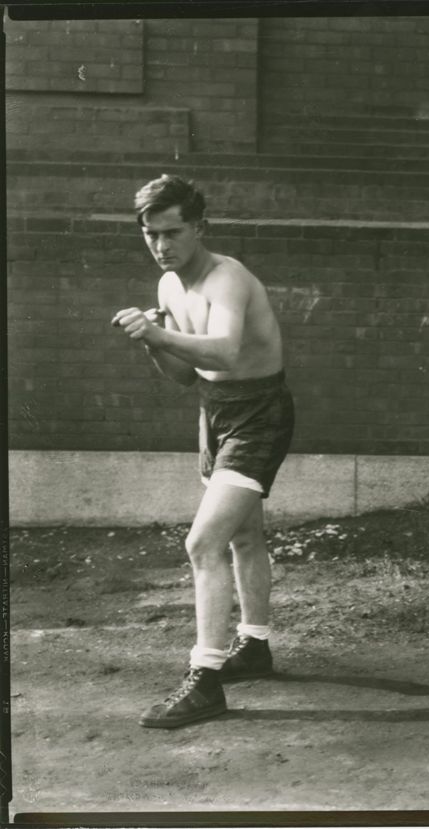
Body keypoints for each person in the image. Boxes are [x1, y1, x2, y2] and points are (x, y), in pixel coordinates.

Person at [112, 174, 294, 728]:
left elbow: (227, 350)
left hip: (259, 413)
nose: (162, 246)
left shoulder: (227, 278)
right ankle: (255, 646)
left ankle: (206, 678)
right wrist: (150, 342)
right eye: (151, 235)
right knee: (242, 535)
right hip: (214, 411)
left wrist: (159, 333)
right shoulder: (169, 287)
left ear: (200, 228)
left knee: (203, 542)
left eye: (173, 233)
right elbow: (186, 375)